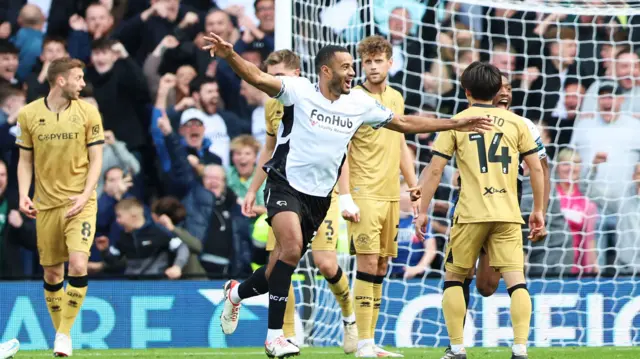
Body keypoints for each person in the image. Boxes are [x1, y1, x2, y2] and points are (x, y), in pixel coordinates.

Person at [202, 32, 492, 358]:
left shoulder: (360, 103)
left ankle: (236, 293)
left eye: (354, 66)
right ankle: (274, 337)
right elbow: (256, 76)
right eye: (346, 66)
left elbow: (405, 123)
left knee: (276, 269)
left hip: (319, 198)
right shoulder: (297, 92)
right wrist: (229, 55)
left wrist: (453, 124)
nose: (353, 72)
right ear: (326, 71)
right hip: (284, 184)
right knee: (293, 249)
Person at [415, 62, 546, 359]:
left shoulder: (457, 122)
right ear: (496, 90)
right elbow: (536, 167)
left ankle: (457, 348)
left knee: (453, 278)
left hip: (470, 214)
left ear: (467, 91)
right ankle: (520, 348)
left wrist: (422, 210)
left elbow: (435, 171)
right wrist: (538, 209)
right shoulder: (517, 123)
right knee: (517, 281)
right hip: (508, 214)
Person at [244, 49, 358, 354]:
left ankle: (348, 318)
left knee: (325, 263)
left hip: (324, 196)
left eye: (279, 75)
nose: (274, 82)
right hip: (285, 189)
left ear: (296, 75)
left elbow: (340, 156)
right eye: (271, 76)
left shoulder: (322, 99)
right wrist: (252, 189)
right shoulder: (273, 104)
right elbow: (269, 149)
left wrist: (346, 197)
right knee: (282, 261)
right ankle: (287, 334)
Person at [336, 35, 420, 358]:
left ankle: (369, 340)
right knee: (367, 262)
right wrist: (345, 196)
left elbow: (401, 144)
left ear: (389, 63)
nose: (372, 67)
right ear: (362, 66)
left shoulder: (396, 98)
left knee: (382, 265)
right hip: (363, 192)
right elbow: (341, 148)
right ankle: (363, 344)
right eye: (367, 62)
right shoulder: (352, 99)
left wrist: (412, 185)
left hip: (389, 195)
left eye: (378, 61)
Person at [15, 57, 104, 357]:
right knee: (52, 274)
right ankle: (60, 334)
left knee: (78, 264)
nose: (82, 83)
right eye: (78, 78)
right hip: (46, 205)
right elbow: (25, 159)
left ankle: (64, 335)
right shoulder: (28, 115)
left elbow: (97, 161)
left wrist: (85, 195)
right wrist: (22, 194)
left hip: (80, 202)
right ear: (61, 80)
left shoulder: (89, 113)